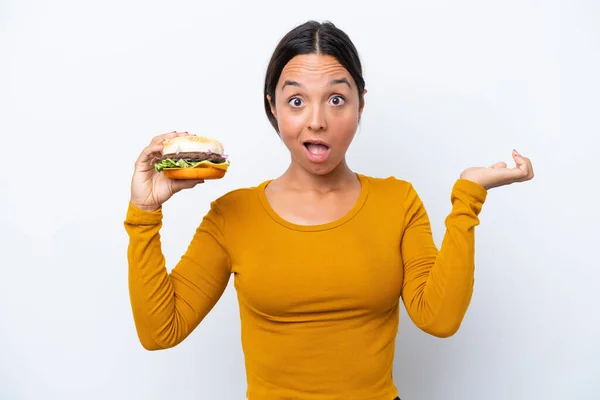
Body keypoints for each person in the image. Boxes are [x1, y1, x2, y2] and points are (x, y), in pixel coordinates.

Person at [124, 20, 534, 400]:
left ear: (361, 104)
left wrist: (468, 198)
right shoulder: (232, 214)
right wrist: (143, 213)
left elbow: (439, 319)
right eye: (297, 100)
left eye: (337, 99)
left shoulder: (399, 202)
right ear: (273, 107)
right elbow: (161, 331)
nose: (317, 121)